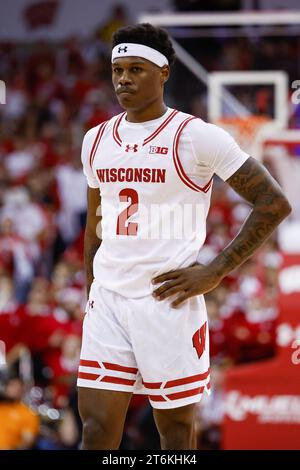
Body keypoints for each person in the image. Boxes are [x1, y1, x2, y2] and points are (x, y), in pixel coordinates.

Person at [77, 23, 291, 450]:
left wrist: (215, 272)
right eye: (118, 69)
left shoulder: (196, 136)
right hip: (109, 301)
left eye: (136, 69)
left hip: (168, 301)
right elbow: (95, 223)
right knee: (96, 432)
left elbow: (273, 202)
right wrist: (91, 289)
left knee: (175, 435)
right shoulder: (95, 139)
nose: (123, 79)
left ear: (164, 73)